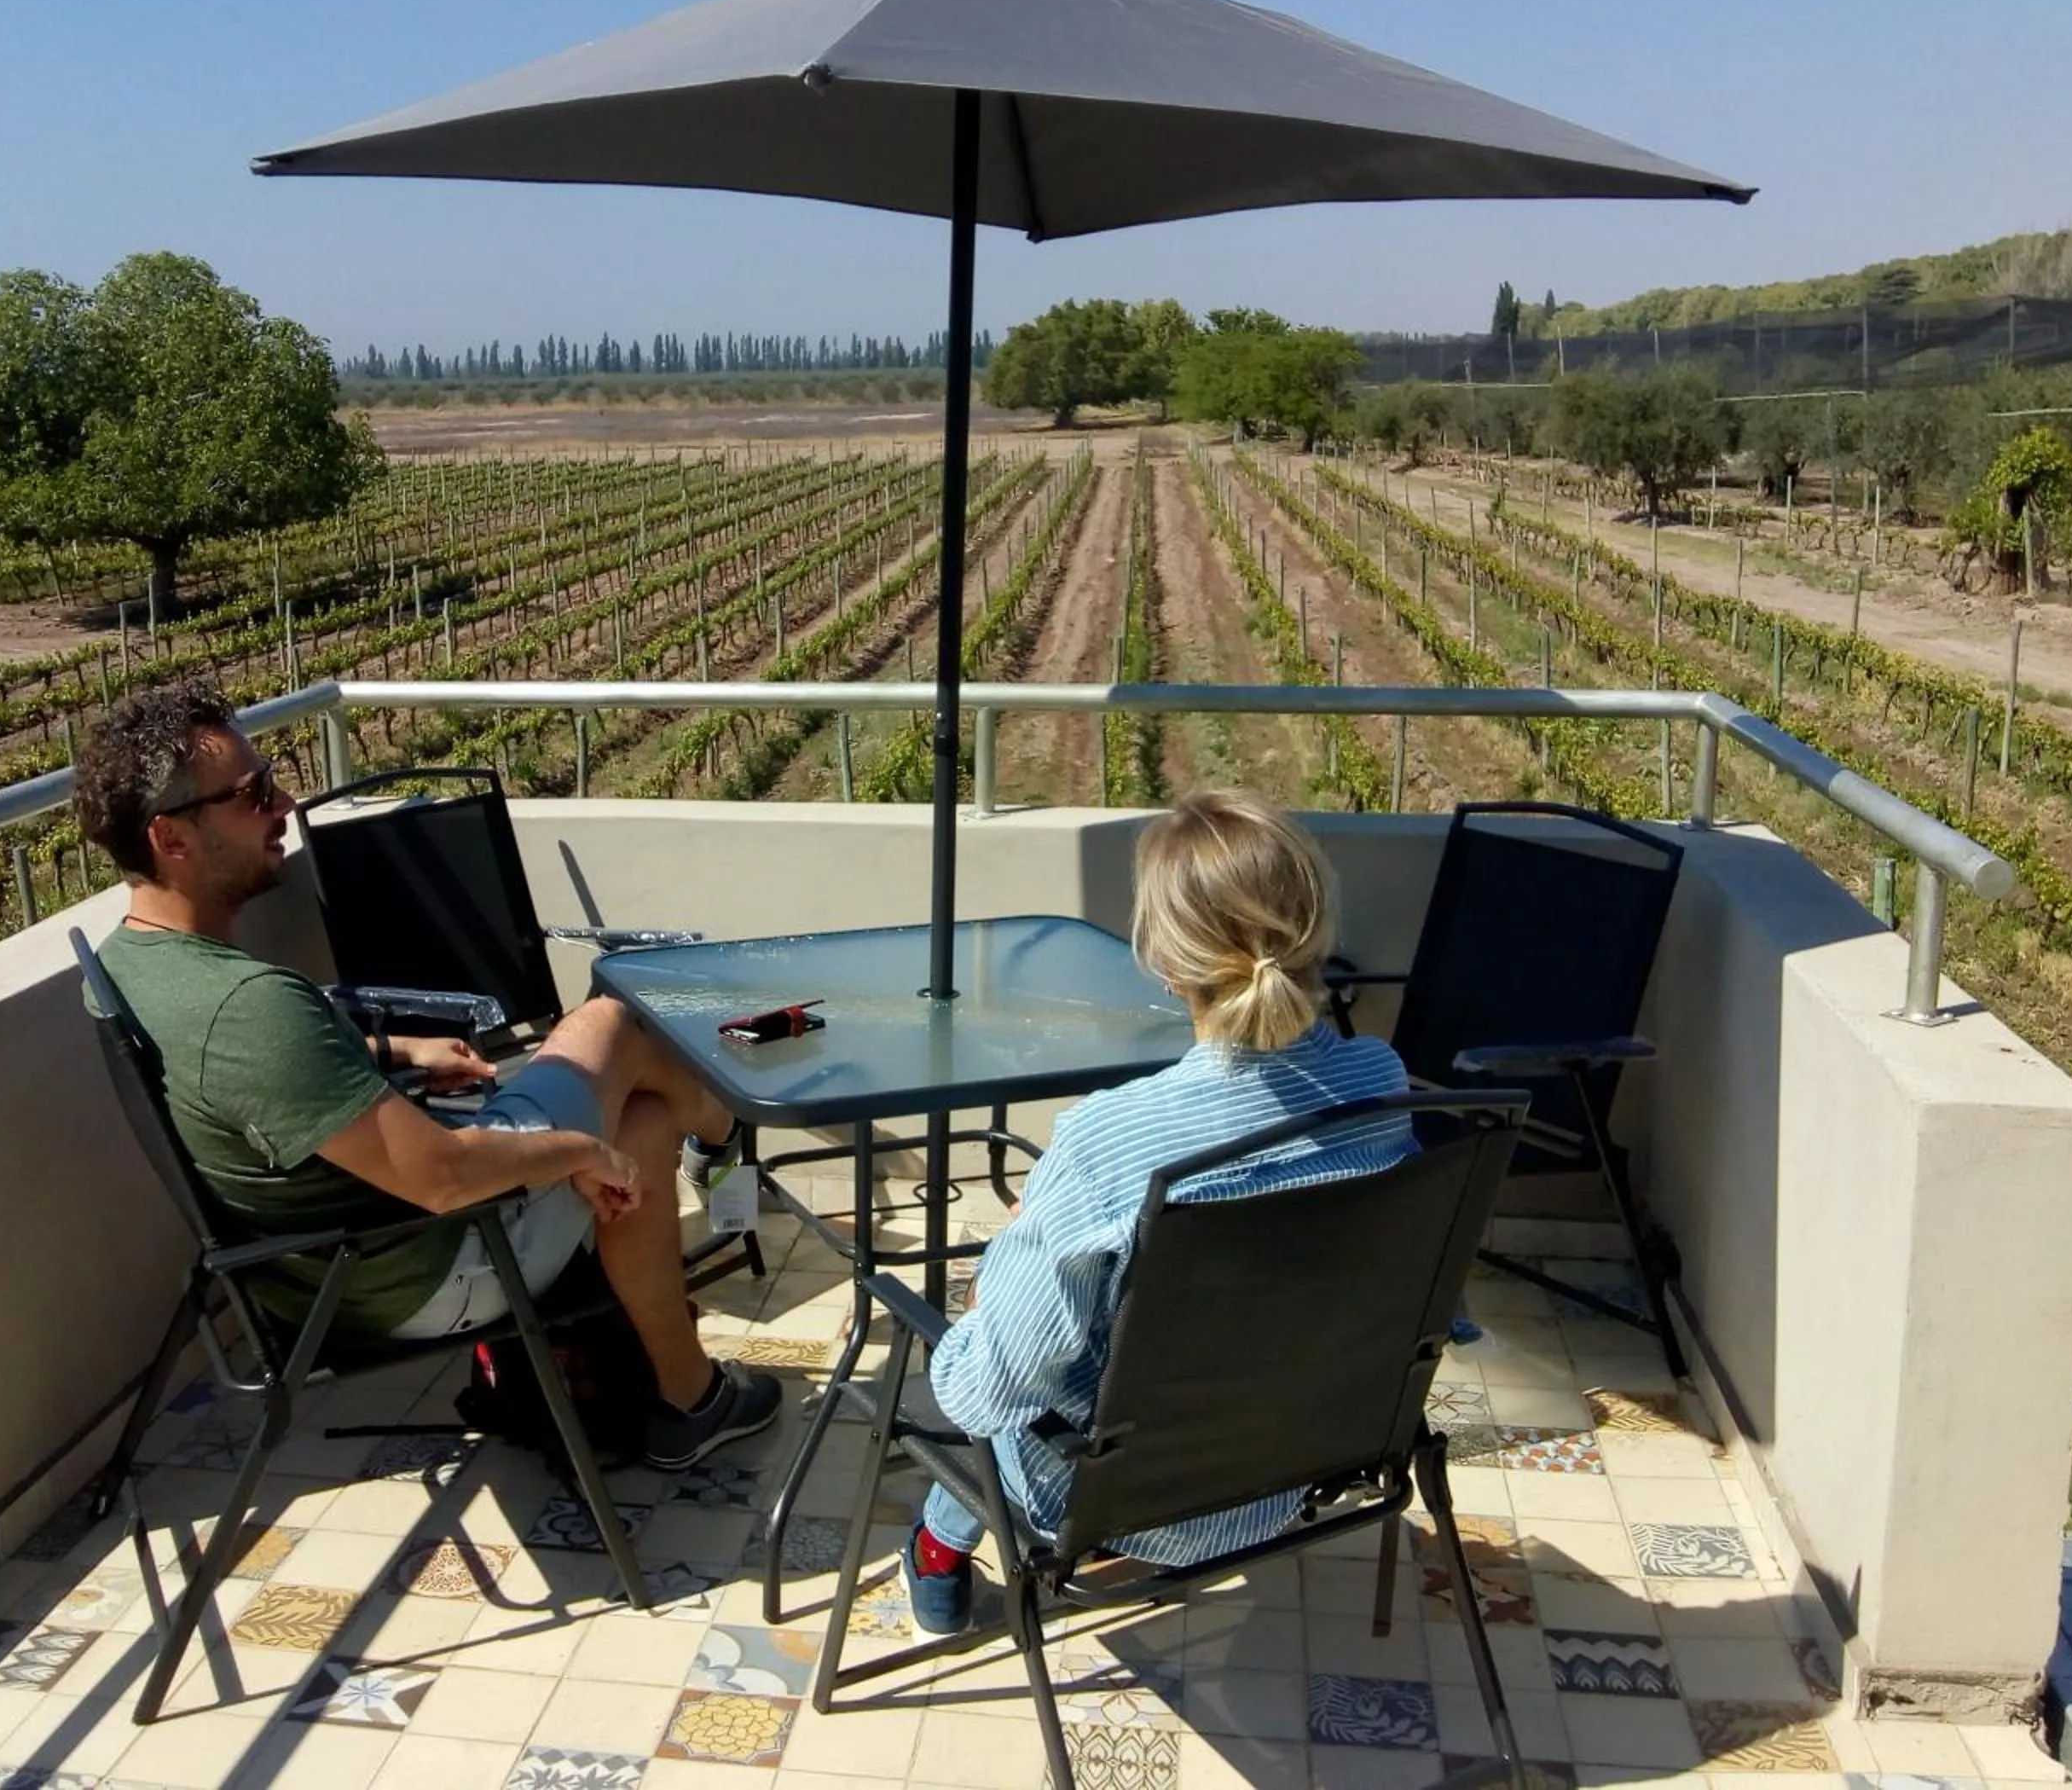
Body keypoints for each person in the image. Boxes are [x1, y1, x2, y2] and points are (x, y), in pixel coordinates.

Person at [72, 681, 776, 1471]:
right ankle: (721, 1148)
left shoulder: (135, 964)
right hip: (436, 1265)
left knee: (641, 1121)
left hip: (321, 1276)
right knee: (616, 1017)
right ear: (172, 838)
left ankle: (691, 1394)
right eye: (255, 793)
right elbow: (442, 1178)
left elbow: (243, 1081)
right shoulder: (245, 1005)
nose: (285, 802)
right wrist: (580, 1153)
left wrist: (397, 1052)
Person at [904, 790, 1417, 1631]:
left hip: (1126, 1501)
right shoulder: (1380, 1083)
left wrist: (993, 1287)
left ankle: (936, 1544)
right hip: (1303, 1460)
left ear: (1167, 965)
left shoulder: (1110, 1141)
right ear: (1316, 928)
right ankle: (939, 1543)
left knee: (995, 1341)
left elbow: (989, 1392)